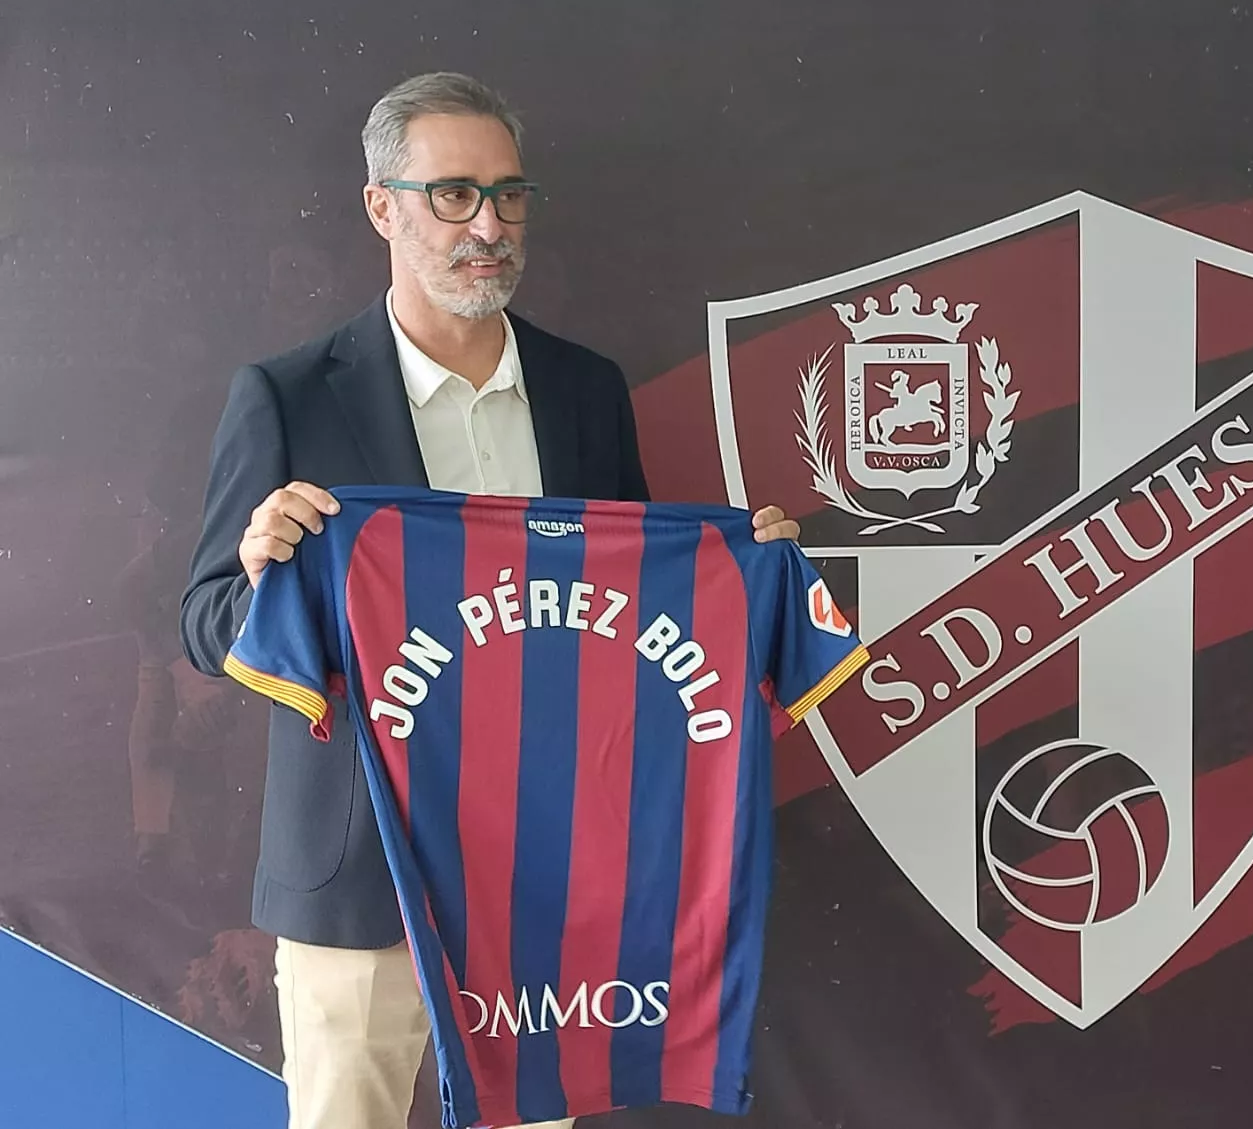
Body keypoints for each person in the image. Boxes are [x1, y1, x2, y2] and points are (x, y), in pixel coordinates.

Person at [179, 71, 802, 1129]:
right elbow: (203, 629)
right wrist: (257, 572)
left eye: (509, 194)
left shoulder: (584, 388)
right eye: (452, 194)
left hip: (544, 870)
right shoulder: (285, 393)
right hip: (355, 870)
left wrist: (738, 584)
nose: (489, 225)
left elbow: (638, 617)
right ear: (382, 206)